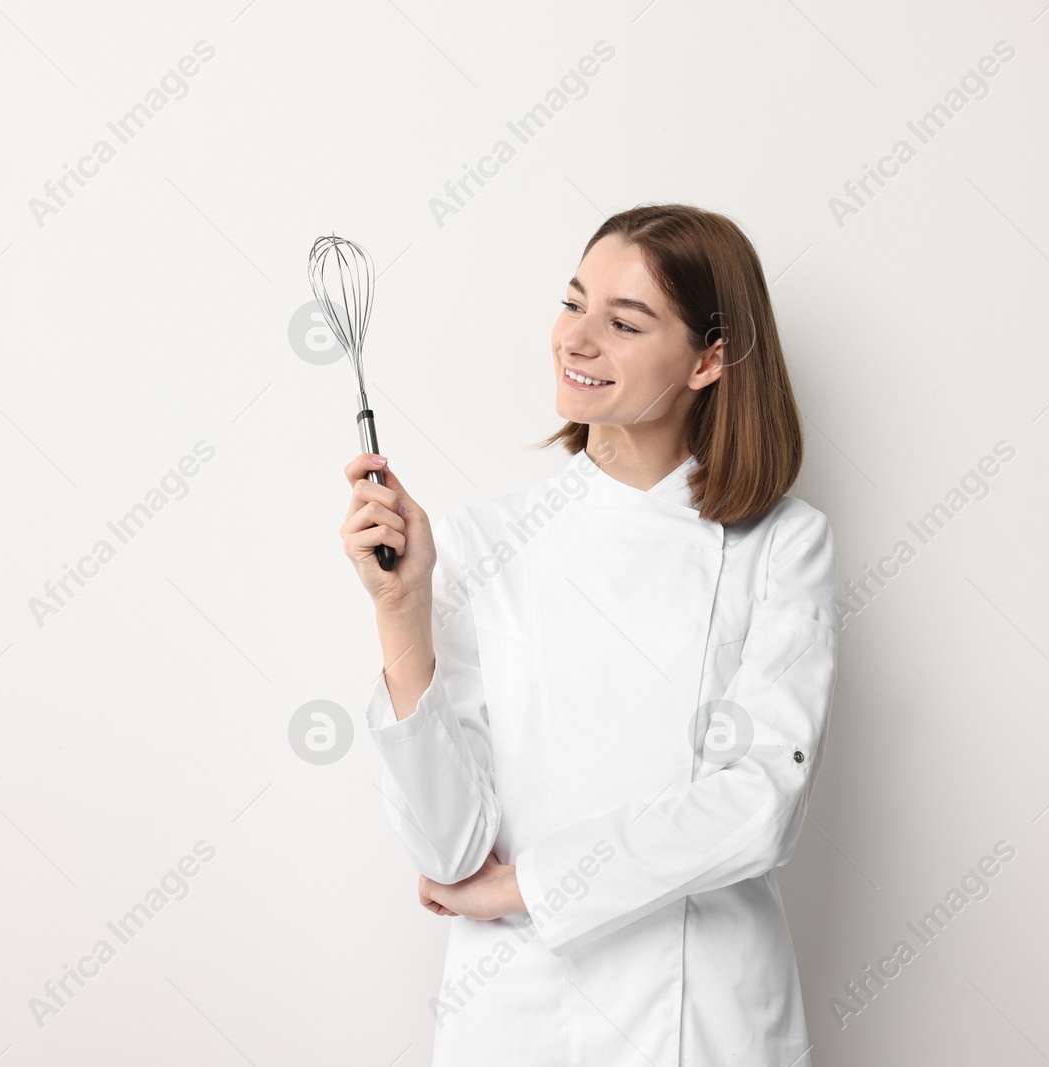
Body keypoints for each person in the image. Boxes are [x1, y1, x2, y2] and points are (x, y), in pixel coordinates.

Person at [340, 203, 840, 1066]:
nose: (577, 339)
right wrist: (401, 612)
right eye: (574, 303)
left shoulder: (780, 543)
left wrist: (526, 884)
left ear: (710, 358)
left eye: (624, 321)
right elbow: (447, 847)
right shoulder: (480, 542)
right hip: (519, 1014)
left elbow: (760, 805)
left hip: (701, 1016)